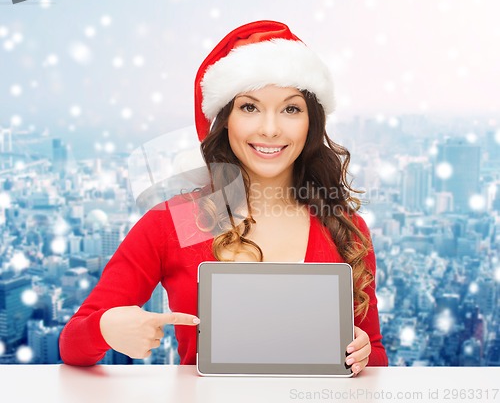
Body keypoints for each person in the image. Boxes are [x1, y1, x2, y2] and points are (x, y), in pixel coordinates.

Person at [59, 20, 388, 373]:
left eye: (291, 109)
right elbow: (73, 343)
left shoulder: (342, 227)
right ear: (225, 119)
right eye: (250, 107)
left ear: (312, 123)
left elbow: (376, 359)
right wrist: (106, 329)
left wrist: (363, 355)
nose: (270, 129)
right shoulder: (178, 223)